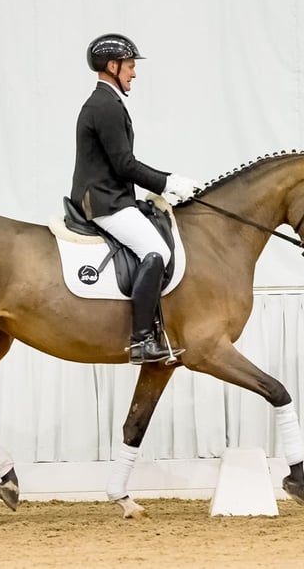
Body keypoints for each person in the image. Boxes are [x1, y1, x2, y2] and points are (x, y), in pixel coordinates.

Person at [70, 33, 201, 364]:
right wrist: (168, 181)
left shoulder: (107, 102)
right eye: (129, 66)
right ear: (112, 66)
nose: (134, 73)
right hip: (104, 202)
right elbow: (124, 164)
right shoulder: (104, 106)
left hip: (111, 196)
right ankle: (141, 340)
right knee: (156, 251)